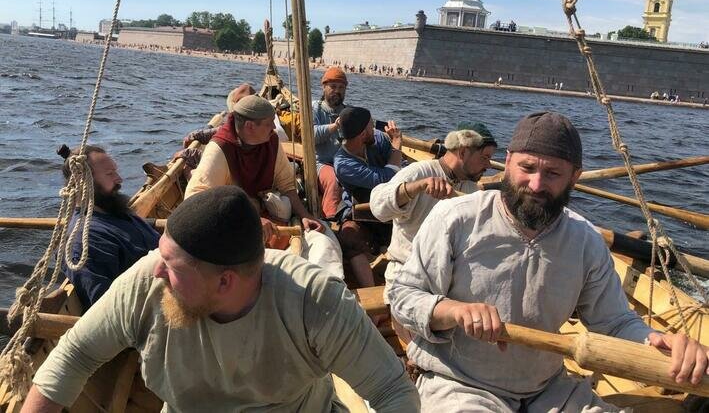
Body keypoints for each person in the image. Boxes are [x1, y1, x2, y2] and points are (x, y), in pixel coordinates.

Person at [389, 111, 709, 412]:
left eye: (553, 173)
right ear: (509, 163)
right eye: (527, 168)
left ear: (575, 177)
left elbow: (614, 322)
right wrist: (453, 311)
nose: (537, 184)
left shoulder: (585, 241)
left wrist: (657, 340)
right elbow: (402, 298)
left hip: (548, 389)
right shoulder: (454, 218)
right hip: (458, 382)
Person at [24, 186, 420, 412]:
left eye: (173, 265)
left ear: (225, 281)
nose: (158, 271)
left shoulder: (313, 301)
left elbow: (392, 391)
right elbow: (74, 356)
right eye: (161, 255)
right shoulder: (146, 283)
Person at [185, 94, 343, 278]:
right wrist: (250, 218)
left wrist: (305, 215)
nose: (274, 128)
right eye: (269, 123)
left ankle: (328, 284)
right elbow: (195, 197)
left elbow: (286, 185)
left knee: (323, 237)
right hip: (232, 224)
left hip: (267, 219)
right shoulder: (220, 148)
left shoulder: (271, 142)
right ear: (250, 126)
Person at [369, 123, 497, 311]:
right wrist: (417, 187)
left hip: (446, 286)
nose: (488, 165)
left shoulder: (470, 189)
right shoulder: (420, 172)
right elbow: (378, 207)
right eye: (485, 158)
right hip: (407, 282)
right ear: (462, 152)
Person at [58, 145, 159, 309]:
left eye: (115, 171)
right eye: (110, 174)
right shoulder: (85, 242)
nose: (119, 179)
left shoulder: (114, 211)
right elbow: (110, 310)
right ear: (83, 182)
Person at [333, 107, 401, 288]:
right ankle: (371, 291)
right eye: (371, 125)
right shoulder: (343, 164)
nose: (375, 129)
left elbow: (399, 165)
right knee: (349, 237)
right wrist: (396, 144)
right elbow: (387, 177)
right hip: (362, 213)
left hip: (391, 209)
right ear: (363, 134)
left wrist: (392, 146)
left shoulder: (377, 139)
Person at [312, 67, 348, 219]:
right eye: (333, 87)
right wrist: (335, 126)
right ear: (324, 87)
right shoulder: (314, 108)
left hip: (345, 162)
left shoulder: (348, 112)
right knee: (333, 180)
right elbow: (311, 135)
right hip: (321, 163)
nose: (337, 91)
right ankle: (330, 219)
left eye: (341, 88)